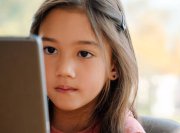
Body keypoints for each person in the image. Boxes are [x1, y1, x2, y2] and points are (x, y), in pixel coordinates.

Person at [30, 0, 145, 132]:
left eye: (84, 54)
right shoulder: (13, 120)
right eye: (50, 50)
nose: (64, 70)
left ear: (114, 66)